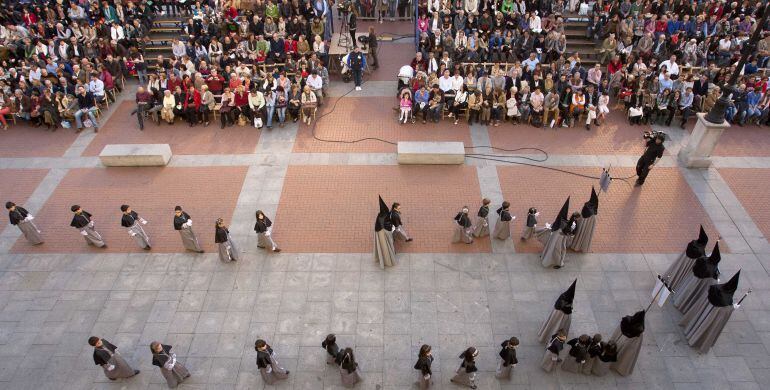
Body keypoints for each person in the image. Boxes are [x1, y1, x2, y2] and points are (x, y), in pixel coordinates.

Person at [680, 270, 742, 354]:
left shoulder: (716, 287)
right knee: (704, 326)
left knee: (698, 319)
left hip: (704, 309)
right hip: (711, 316)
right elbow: (724, 311)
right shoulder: (727, 301)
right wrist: (733, 307)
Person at [673, 242, 721, 314]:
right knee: (692, 293)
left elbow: (695, 266)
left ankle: (678, 299)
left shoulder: (703, 259)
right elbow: (712, 278)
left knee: (686, 289)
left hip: (693, 278)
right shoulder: (713, 269)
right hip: (701, 283)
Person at [664, 225, 709, 293]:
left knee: (678, 269)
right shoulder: (701, 251)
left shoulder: (693, 243)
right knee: (682, 274)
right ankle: (675, 284)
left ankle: (670, 279)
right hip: (688, 266)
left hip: (683, 260)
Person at [610, 310, 645, 376]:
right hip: (630, 342)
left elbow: (621, 325)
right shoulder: (638, 330)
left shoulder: (627, 320)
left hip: (621, 337)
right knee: (625, 355)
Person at [540, 197, 571, 269]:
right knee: (554, 249)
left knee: (556, 250)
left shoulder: (560, 224)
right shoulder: (563, 224)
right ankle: (551, 259)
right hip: (558, 238)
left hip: (558, 238)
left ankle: (559, 263)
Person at [570, 187, 598, 252]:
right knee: (584, 233)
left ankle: (575, 245)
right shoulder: (593, 215)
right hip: (586, 223)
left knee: (579, 232)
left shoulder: (586, 206)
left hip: (582, 222)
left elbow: (581, 214)